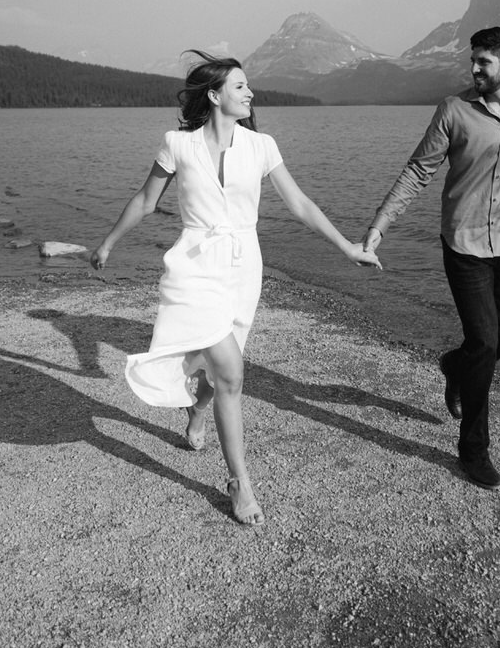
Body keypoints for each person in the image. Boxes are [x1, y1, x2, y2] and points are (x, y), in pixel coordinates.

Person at [91, 50, 381, 526]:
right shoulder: (177, 145)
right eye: (241, 86)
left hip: (244, 269)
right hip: (193, 266)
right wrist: (107, 244)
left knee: (218, 375)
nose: (250, 93)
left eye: (248, 87)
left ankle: (199, 412)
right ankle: (239, 482)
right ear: (215, 94)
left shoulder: (262, 145)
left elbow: (300, 204)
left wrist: (347, 247)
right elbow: (146, 201)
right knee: (231, 372)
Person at [362, 26, 500, 490]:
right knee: (485, 343)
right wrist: (379, 227)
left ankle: (453, 367)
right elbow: (418, 170)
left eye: (483, 62)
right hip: (463, 245)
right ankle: (473, 450)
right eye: (472, 61)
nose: (473, 69)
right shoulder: (453, 110)